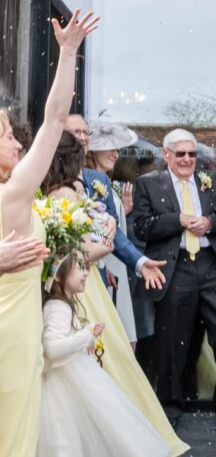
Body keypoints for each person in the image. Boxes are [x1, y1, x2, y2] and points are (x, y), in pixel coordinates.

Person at [0, 9, 97, 457]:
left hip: (16, 340)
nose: (17, 140)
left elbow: (55, 123)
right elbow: (56, 121)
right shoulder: (13, 195)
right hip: (8, 349)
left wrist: (68, 57)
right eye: (7, 135)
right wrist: (66, 55)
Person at [42, 134, 188, 457]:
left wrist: (111, 242)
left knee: (108, 358)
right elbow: (76, 251)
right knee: (107, 360)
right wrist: (106, 242)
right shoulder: (64, 195)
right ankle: (119, 449)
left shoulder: (66, 191)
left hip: (88, 282)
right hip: (83, 284)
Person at [36, 254, 169, 457]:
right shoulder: (57, 307)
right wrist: (86, 335)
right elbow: (52, 350)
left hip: (64, 392)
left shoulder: (64, 304)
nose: (86, 273)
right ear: (58, 276)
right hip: (58, 397)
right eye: (80, 268)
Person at [132, 129, 216, 432]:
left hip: (212, 266)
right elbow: (142, 228)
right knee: (172, 340)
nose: (187, 159)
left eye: (191, 154)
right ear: (166, 155)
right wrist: (178, 220)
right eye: (180, 153)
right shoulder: (148, 184)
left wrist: (210, 223)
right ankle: (171, 407)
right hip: (176, 267)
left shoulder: (212, 183)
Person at [65, 114, 167, 325]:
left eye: (86, 132)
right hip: (63, 278)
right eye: (77, 132)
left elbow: (114, 232)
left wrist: (139, 262)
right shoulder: (47, 176)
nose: (84, 137)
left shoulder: (99, 180)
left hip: (95, 277)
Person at [85, 120, 142, 344]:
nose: (116, 153)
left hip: (117, 264)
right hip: (103, 264)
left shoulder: (107, 183)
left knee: (128, 340)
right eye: (111, 147)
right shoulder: (87, 181)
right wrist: (104, 265)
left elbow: (109, 223)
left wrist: (123, 212)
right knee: (116, 341)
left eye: (118, 149)